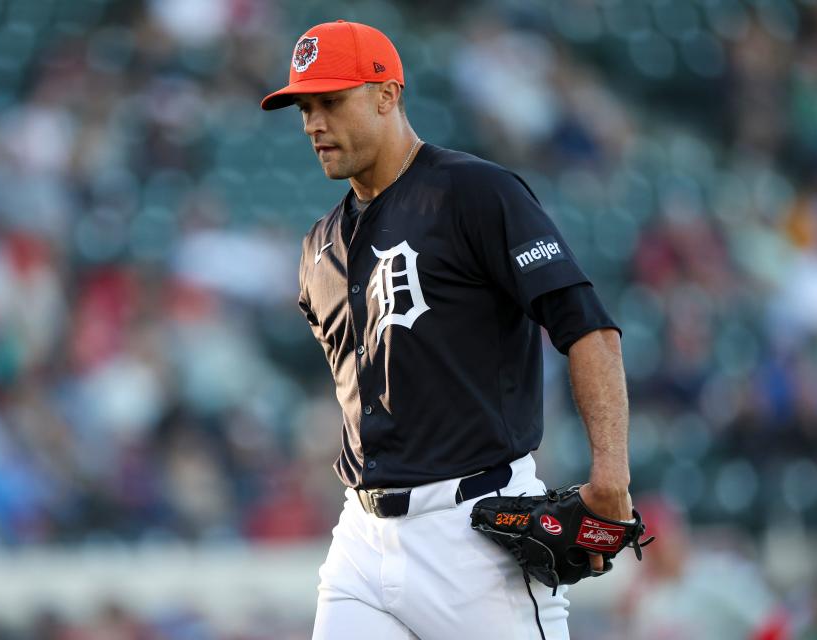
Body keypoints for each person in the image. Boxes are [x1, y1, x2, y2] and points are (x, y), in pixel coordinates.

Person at [261, 20, 633, 640]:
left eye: (331, 101)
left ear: (387, 95)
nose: (313, 123)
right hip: (362, 533)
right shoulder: (317, 251)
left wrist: (611, 475)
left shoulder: (475, 192)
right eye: (304, 106)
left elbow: (589, 329)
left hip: (475, 531)